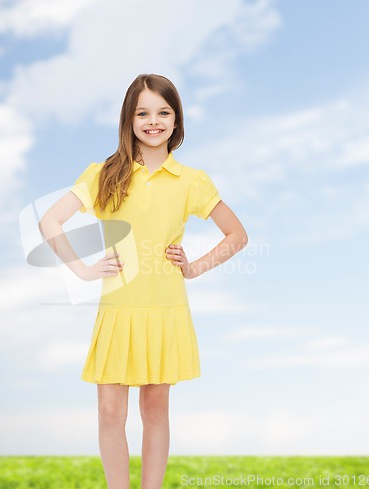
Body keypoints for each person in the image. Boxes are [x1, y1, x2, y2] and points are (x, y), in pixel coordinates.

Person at [39, 73, 248, 489]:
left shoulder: (192, 180)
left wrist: (194, 267)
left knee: (155, 410)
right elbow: (50, 221)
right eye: (143, 113)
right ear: (129, 119)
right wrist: (82, 269)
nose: (153, 121)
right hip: (118, 309)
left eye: (163, 112)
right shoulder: (104, 174)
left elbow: (237, 236)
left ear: (176, 120)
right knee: (110, 413)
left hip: (165, 308)